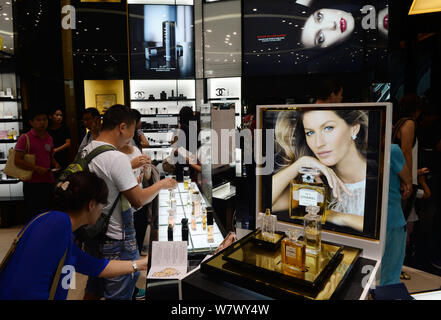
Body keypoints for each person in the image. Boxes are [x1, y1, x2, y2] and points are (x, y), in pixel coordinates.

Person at [0, 171, 150, 300]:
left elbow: (96, 266)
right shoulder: (58, 223)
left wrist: (141, 264)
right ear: (91, 204)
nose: (101, 211)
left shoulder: (57, 224)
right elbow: (25, 286)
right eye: (102, 205)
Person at [81, 104, 177, 300]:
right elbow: (138, 200)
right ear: (122, 127)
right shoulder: (116, 158)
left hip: (94, 233)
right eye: (133, 129)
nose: (132, 136)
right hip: (116, 238)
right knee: (119, 294)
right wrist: (162, 185)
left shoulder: (89, 149)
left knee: (94, 287)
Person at [272, 109, 368, 231]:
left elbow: (381, 228)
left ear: (354, 128)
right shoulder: (315, 179)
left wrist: (337, 216)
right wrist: (301, 163)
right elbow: (268, 204)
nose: (318, 143)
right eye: (310, 132)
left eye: (328, 128)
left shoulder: (379, 174)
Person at [14, 108, 60, 223]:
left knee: (47, 214)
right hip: (32, 183)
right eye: (38, 120)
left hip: (48, 181)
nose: (42, 123)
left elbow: (49, 156)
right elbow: (17, 160)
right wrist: (36, 168)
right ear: (31, 122)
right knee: (33, 215)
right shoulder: (25, 138)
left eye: (44, 119)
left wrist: (55, 163)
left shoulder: (49, 138)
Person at [380, 144, 412, 286]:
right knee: (391, 274)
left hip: (367, 219)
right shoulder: (392, 149)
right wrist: (407, 183)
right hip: (392, 217)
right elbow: (407, 179)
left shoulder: (358, 148)